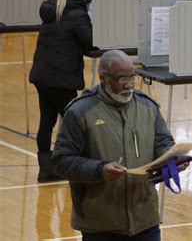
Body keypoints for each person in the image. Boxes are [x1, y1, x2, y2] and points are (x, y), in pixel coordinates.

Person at [51, 50, 175, 240]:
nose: (129, 85)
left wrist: (171, 157)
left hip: (145, 220)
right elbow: (61, 161)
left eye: (132, 78)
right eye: (121, 78)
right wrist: (99, 170)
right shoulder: (80, 112)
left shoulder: (147, 107)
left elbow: (163, 141)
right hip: (101, 225)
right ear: (103, 78)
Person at [29, 0, 93, 182]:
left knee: (47, 121)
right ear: (84, 2)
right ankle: (73, 165)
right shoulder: (78, 15)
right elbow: (89, 41)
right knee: (75, 121)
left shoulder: (54, 10)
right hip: (61, 79)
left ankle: (46, 169)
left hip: (42, 75)